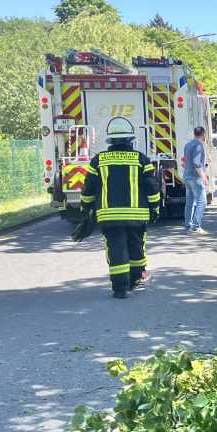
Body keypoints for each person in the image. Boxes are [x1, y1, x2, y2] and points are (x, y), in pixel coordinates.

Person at [79, 116, 161, 298]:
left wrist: (85, 206)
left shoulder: (98, 160)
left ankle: (120, 288)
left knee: (116, 248)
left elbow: (89, 188)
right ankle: (135, 278)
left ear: (110, 140)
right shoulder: (141, 159)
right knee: (136, 245)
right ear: (131, 139)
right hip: (137, 215)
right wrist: (155, 208)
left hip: (109, 216)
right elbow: (151, 186)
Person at [182, 126, 209, 235]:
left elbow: (185, 161)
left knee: (189, 202)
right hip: (195, 177)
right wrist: (203, 176)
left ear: (194, 133)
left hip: (187, 176)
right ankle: (196, 227)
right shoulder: (198, 145)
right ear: (203, 134)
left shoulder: (188, 144)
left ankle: (188, 226)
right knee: (202, 201)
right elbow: (197, 163)